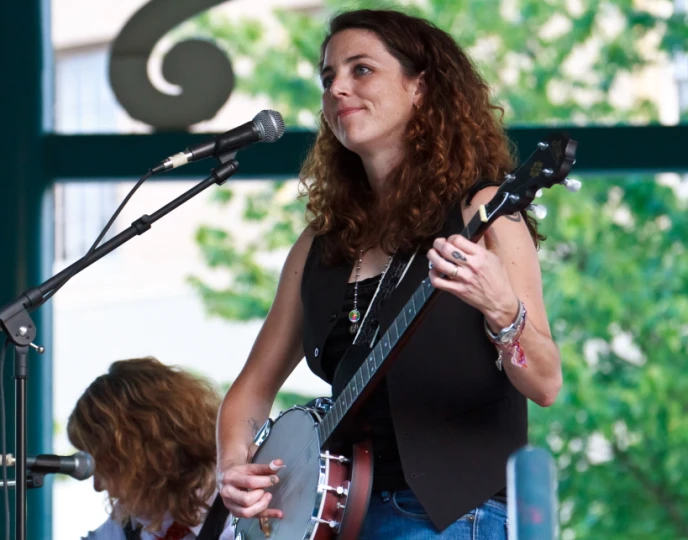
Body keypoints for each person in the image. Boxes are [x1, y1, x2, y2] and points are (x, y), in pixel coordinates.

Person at [217, 8, 562, 539]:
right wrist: (233, 466)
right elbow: (250, 391)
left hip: (453, 518)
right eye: (327, 77)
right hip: (339, 520)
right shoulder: (318, 244)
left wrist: (501, 309)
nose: (337, 89)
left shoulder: (484, 211)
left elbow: (544, 382)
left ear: (420, 87)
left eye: (361, 70)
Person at [67, 357, 234, 540]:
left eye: (107, 468)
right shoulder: (127, 527)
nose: (97, 486)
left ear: (149, 454)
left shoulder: (241, 505)